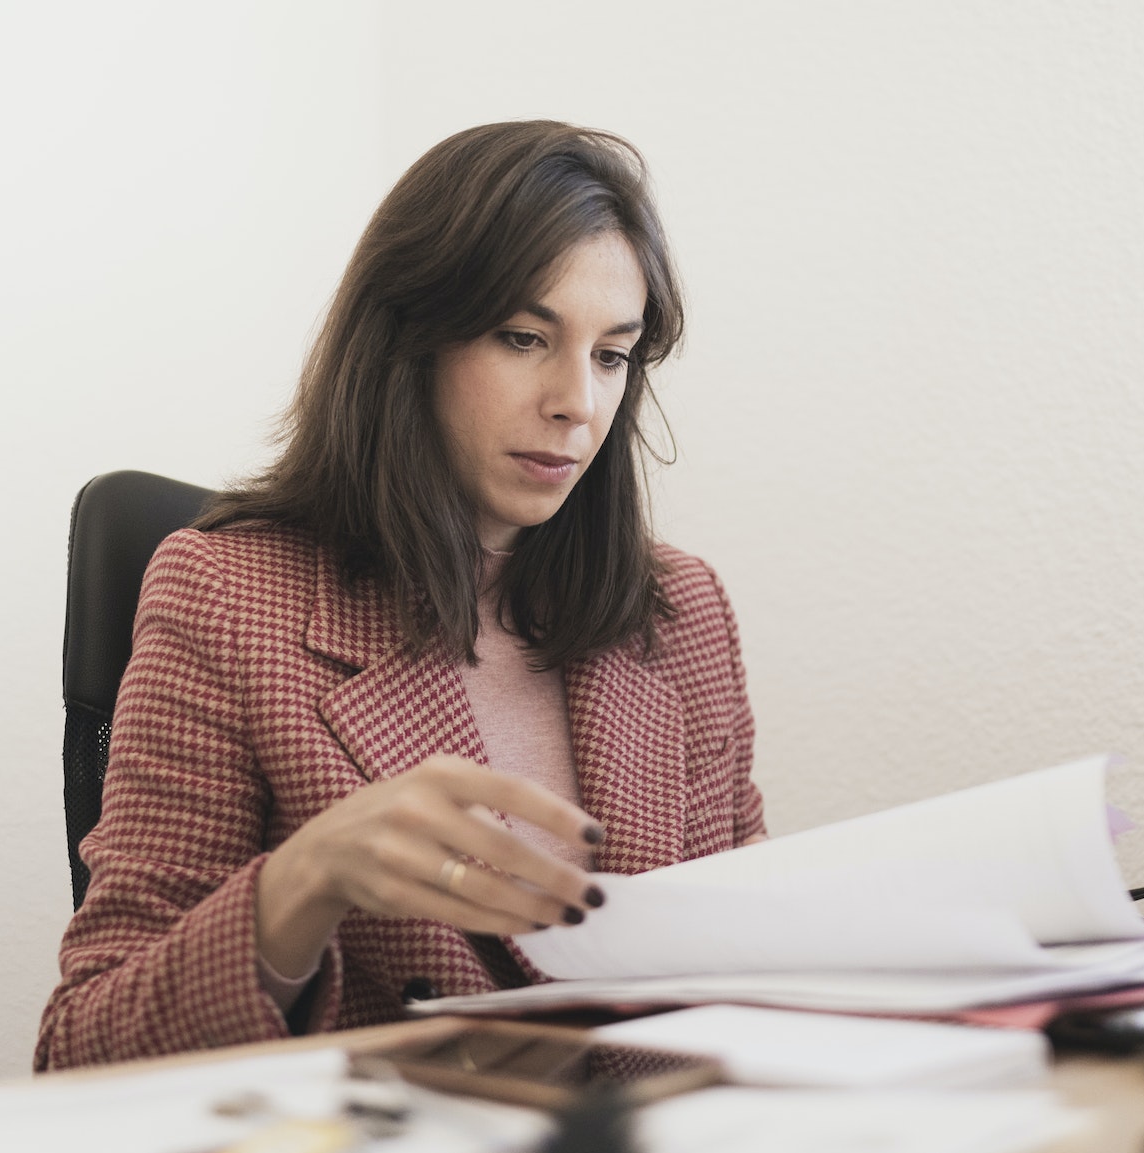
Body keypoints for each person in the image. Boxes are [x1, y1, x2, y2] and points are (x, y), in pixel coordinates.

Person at [37, 122, 766, 1069]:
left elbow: (754, 969)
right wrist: (301, 883)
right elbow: (81, 1051)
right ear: (408, 340)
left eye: (611, 355)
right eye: (523, 336)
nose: (577, 402)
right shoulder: (225, 596)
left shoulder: (680, 613)